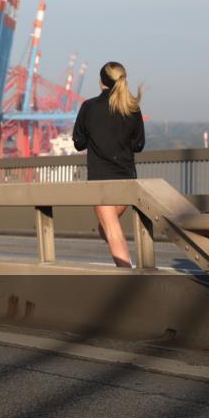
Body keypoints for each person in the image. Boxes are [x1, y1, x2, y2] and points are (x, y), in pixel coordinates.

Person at [72, 62, 145, 268]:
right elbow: (138, 145)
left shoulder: (89, 107)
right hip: (126, 179)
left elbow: (78, 143)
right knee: (108, 227)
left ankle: (128, 277)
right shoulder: (132, 107)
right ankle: (125, 263)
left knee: (112, 231)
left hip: (100, 179)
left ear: (101, 82)